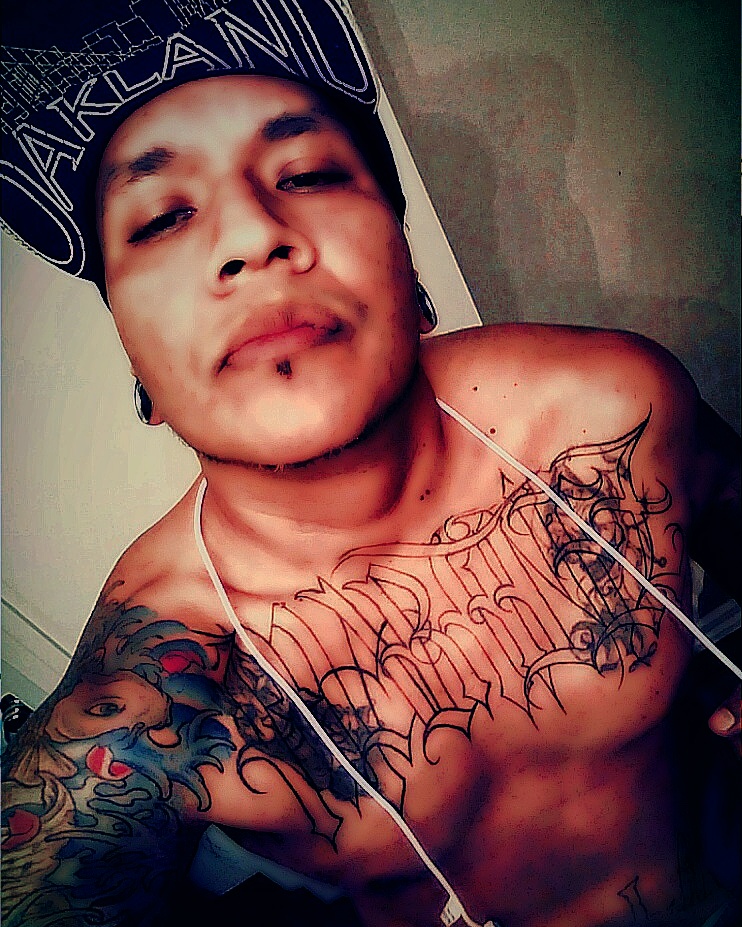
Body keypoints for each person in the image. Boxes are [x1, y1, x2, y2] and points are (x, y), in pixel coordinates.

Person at [1, 2, 740, 926]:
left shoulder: (611, 410)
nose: (251, 236)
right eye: (163, 218)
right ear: (139, 369)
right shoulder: (158, 683)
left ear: (407, 269)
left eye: (307, 173)